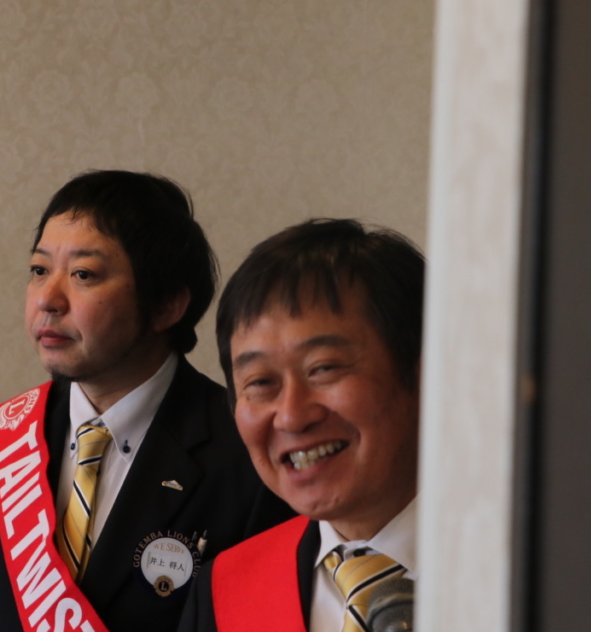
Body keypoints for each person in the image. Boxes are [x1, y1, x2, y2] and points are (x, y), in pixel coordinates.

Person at [0, 170, 293, 632]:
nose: (48, 299)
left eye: (83, 275)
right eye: (39, 270)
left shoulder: (248, 450)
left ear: (167, 305)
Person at [177, 218, 425, 632]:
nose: (291, 415)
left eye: (323, 368)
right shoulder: (225, 590)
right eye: (260, 383)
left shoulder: (529, 562)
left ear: (424, 373)